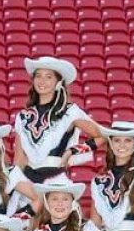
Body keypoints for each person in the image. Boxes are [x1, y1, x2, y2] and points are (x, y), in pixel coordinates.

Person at [10, 56, 102, 199]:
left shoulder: (70, 112)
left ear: (58, 82)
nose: (42, 81)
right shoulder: (22, 117)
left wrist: (72, 151)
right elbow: (19, 160)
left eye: (48, 77)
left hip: (57, 181)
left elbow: (102, 135)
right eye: (38, 76)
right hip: (28, 183)